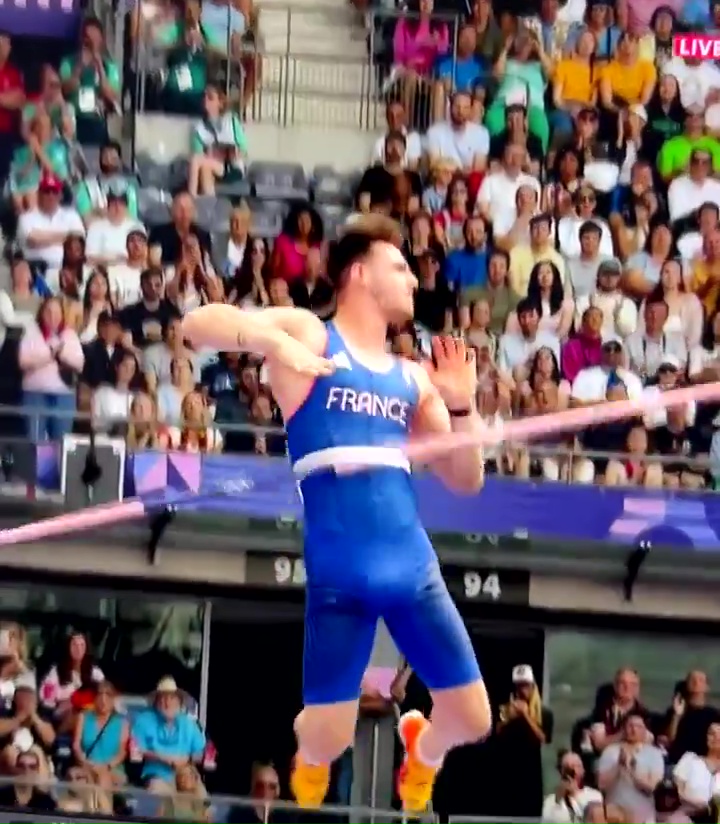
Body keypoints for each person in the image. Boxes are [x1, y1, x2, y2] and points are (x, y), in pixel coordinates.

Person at [182, 215, 491, 813]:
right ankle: (310, 749)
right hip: (340, 578)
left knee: (473, 718)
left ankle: (422, 750)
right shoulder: (313, 336)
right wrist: (274, 344)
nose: (412, 278)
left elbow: (465, 479)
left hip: (413, 572)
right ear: (358, 273)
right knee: (327, 738)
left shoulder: (413, 379)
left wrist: (463, 404)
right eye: (398, 266)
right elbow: (197, 326)